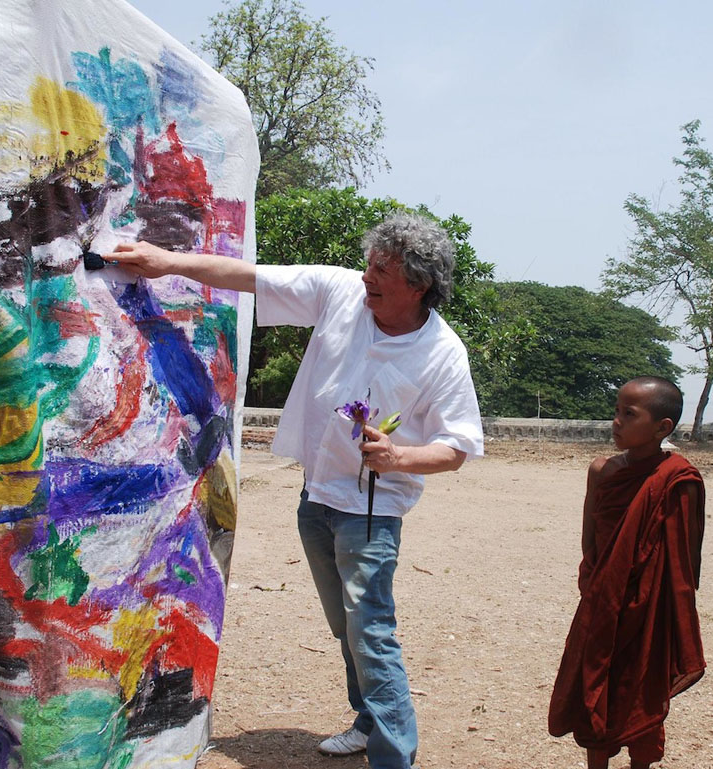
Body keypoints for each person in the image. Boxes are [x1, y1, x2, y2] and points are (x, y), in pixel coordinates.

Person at [108, 212, 484, 769]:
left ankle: (393, 755)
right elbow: (249, 276)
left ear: (419, 285)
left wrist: (399, 456)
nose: (366, 276)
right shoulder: (341, 292)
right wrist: (165, 264)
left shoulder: (443, 353)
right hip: (317, 500)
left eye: (382, 269)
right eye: (369, 262)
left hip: (371, 513)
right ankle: (367, 719)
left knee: (371, 629)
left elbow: (457, 447)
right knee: (346, 626)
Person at [549, 376, 706, 769]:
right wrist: (594, 584)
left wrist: (674, 614)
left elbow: (686, 559)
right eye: (616, 411)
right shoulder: (602, 471)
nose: (616, 421)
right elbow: (591, 540)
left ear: (662, 428)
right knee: (595, 687)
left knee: (641, 691)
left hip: (650, 608)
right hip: (603, 600)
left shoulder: (678, 479)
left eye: (629, 414)